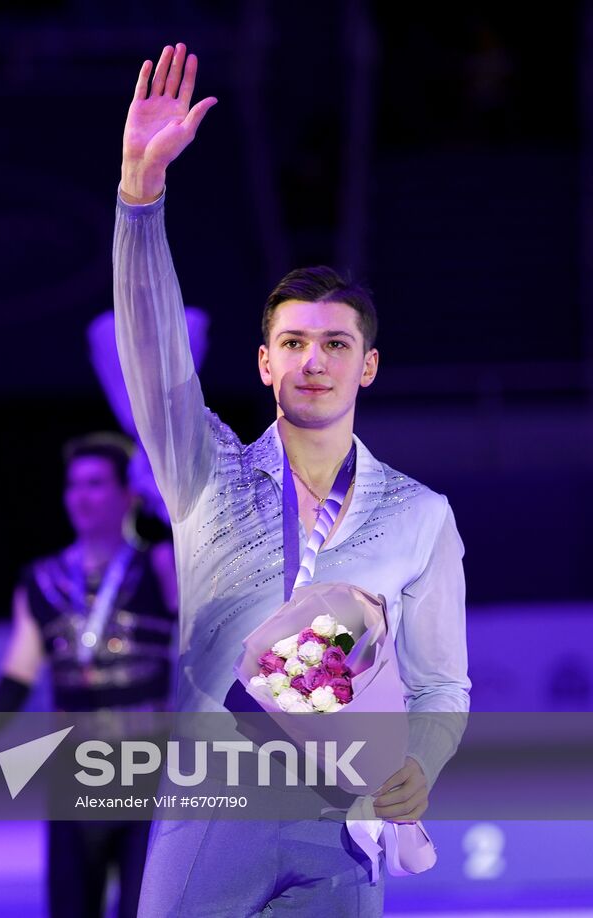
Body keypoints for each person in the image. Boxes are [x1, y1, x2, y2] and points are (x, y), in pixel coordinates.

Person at [113, 43, 470, 915]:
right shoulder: (208, 476)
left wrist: (419, 761)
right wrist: (140, 199)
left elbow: (441, 684)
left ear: (370, 367)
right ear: (265, 363)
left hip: (342, 826)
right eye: (297, 344)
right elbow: (156, 362)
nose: (317, 361)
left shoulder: (419, 516)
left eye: (337, 344)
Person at [0, 432, 177, 918]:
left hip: (150, 772)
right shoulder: (43, 580)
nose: (81, 496)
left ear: (128, 493)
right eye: (73, 485)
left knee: (148, 909)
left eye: (96, 483)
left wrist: (166, 503)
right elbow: (15, 681)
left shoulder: (160, 566)